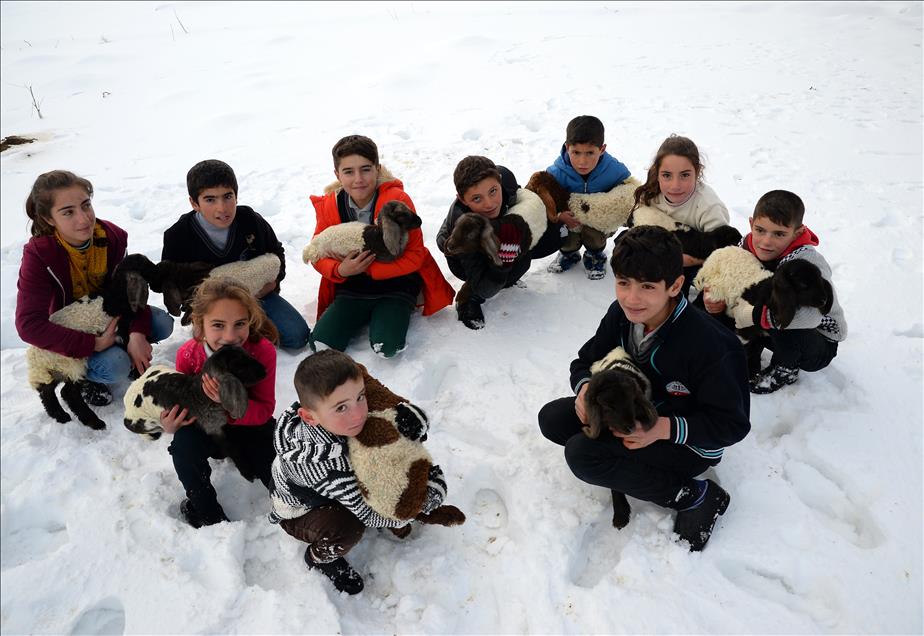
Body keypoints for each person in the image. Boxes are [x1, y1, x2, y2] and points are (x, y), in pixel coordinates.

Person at [537, 226, 751, 551]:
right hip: (632, 412)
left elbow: (732, 426)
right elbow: (585, 361)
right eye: (623, 282)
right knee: (552, 419)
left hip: (687, 443)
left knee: (582, 455)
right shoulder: (622, 315)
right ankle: (621, 460)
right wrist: (585, 390)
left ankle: (695, 496)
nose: (631, 298)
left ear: (675, 286)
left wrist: (660, 429)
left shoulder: (710, 344)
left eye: (648, 286)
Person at [269, 349, 449, 594]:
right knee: (348, 527)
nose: (359, 413)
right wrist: (417, 506)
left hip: (331, 482)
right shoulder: (325, 466)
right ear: (309, 417)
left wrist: (407, 423)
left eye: (361, 397)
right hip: (301, 510)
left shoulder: (341, 417)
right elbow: (367, 514)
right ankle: (320, 557)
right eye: (341, 408)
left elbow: (379, 397)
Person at [15, 169, 174, 407]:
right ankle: (85, 378)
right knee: (115, 366)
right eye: (68, 212)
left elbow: (130, 290)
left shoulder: (112, 238)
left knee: (162, 323)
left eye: (86, 205)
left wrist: (137, 333)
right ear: (49, 219)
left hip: (110, 314)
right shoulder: (39, 255)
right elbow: (29, 325)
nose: (84, 219)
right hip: (75, 330)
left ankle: (126, 350)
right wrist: (92, 344)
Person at [309, 135, 454, 357]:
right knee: (321, 344)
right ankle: (359, 313)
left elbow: (416, 255)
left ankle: (393, 312)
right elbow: (317, 251)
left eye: (365, 169)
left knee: (388, 346)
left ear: (377, 169)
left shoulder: (397, 200)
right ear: (337, 175)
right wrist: (340, 270)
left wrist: (370, 269)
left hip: (397, 284)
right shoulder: (330, 206)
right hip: (352, 286)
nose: (358, 179)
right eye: (348, 172)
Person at [160, 278, 278, 528]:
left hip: (249, 426)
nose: (230, 336)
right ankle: (207, 512)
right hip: (208, 428)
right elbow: (183, 404)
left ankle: (292, 501)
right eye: (218, 325)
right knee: (183, 449)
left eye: (240, 324)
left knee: (275, 460)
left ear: (250, 321)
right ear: (200, 324)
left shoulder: (262, 351)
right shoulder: (188, 356)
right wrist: (170, 423)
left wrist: (230, 406)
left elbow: (265, 409)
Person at [703, 190, 847, 394]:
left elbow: (811, 317)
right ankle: (747, 357)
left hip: (815, 340)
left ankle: (786, 367)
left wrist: (755, 315)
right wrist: (714, 296)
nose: (766, 241)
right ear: (751, 223)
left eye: (779, 234)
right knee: (738, 303)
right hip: (772, 324)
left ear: (797, 233)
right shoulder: (746, 247)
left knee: (782, 311)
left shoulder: (807, 263)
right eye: (760, 230)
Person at [162, 159, 311, 351]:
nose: (222, 208)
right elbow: (172, 283)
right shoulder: (178, 236)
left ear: (236, 195)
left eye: (227, 196)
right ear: (194, 203)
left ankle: (250, 327)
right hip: (212, 309)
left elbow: (276, 252)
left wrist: (273, 283)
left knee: (297, 336)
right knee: (224, 347)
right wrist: (199, 309)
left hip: (257, 296)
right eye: (210, 199)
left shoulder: (250, 220)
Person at [435, 156, 544, 329]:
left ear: (499, 181)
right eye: (477, 199)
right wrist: (503, 263)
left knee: (528, 257)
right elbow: (486, 289)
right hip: (463, 256)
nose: (489, 204)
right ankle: (467, 298)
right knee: (504, 273)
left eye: (493, 191)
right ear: (462, 200)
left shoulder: (506, 182)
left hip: (494, 234)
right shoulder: (465, 228)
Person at [631, 134, 733, 298]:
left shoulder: (708, 206)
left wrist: (688, 260)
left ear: (697, 172)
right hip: (663, 251)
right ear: (658, 173)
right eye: (667, 175)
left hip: (696, 260)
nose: (675, 185)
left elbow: (723, 248)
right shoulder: (652, 193)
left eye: (685, 175)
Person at [545, 115, 633, 280]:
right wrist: (559, 216)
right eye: (576, 152)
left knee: (594, 236)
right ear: (567, 147)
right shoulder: (556, 173)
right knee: (566, 237)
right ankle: (568, 254)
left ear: (602, 149)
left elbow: (627, 192)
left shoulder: (614, 170)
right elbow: (546, 200)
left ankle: (595, 254)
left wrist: (614, 213)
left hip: (597, 223)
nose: (582, 161)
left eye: (590, 153)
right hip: (570, 221)